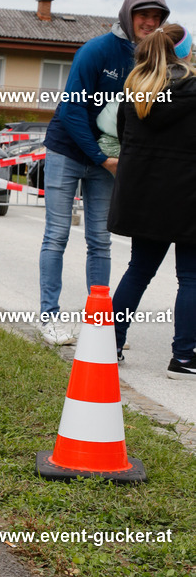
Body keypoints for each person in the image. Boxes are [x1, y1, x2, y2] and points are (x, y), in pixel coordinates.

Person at [38, 0, 169, 345]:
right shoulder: (96, 50)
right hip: (68, 150)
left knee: (100, 240)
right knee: (57, 236)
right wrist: (101, 157)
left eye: (156, 17)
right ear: (128, 14)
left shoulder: (150, 60)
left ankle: (99, 323)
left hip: (108, 161)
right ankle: (48, 317)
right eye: (143, 15)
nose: (149, 22)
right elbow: (72, 108)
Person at [108, 24, 196, 378]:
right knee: (190, 277)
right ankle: (184, 357)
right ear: (186, 52)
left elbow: (122, 137)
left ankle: (110, 344)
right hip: (189, 198)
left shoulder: (134, 90)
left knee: (139, 270)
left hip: (144, 197)